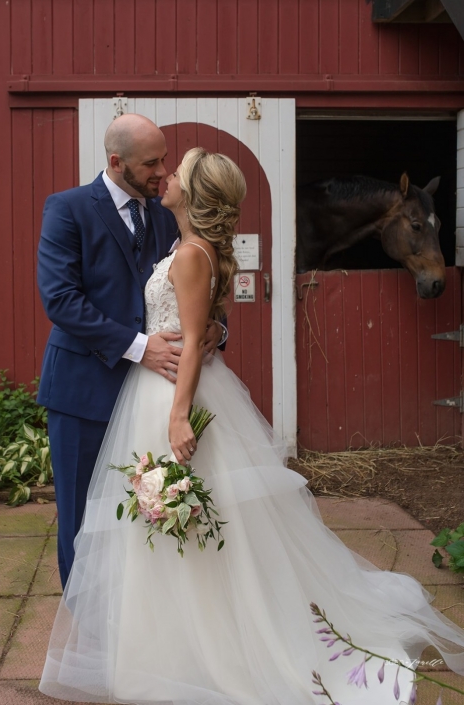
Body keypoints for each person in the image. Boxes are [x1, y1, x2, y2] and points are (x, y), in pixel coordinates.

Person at [40, 148, 464, 705]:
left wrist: (178, 411)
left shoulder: (189, 250)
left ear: (192, 193)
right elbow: (141, 310)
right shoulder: (172, 238)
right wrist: (202, 334)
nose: (165, 174)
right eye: (157, 163)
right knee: (163, 525)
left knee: (184, 519)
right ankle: (157, 637)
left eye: (175, 169)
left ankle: (201, 645)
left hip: (170, 395)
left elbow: (194, 335)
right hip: (140, 386)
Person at [37, 116, 224, 588]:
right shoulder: (67, 209)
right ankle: (82, 633)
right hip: (83, 394)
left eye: (165, 159)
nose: (162, 170)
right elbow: (60, 299)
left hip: (152, 401)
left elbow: (194, 290)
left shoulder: (167, 214)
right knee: (81, 519)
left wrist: (217, 331)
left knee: (153, 516)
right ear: (116, 162)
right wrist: (139, 348)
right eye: (151, 162)